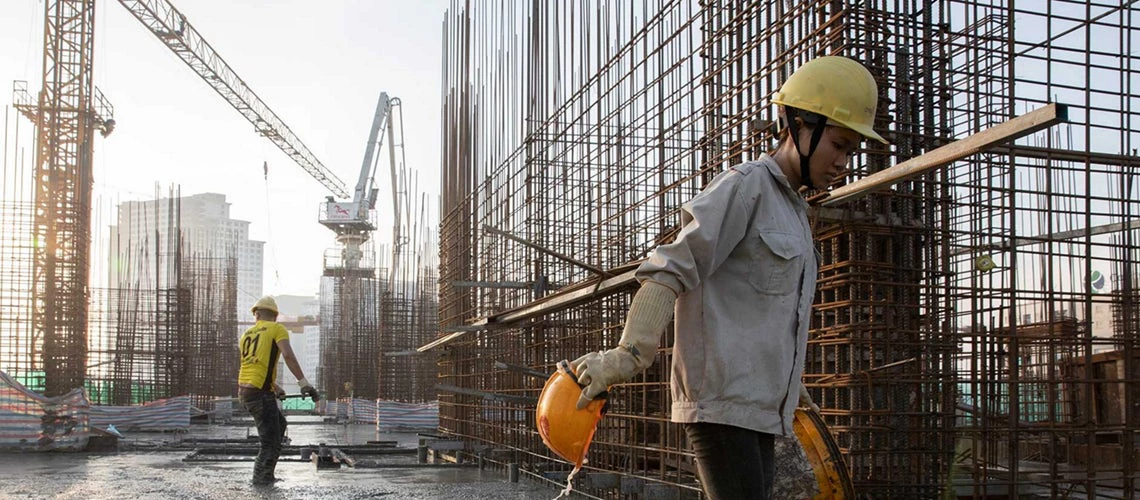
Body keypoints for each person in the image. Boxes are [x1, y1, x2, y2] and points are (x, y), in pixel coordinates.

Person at [571, 56, 888, 499]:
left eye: (851, 150)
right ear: (800, 126)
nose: (844, 162)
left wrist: (790, 389)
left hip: (760, 411)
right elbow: (669, 269)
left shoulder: (795, 212)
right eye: (839, 144)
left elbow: (767, 317)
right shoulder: (744, 188)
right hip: (721, 409)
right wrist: (628, 355)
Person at [238, 295, 320, 486]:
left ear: (256, 315)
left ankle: (266, 476)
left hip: (246, 391)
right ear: (275, 316)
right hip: (259, 394)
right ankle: (261, 482)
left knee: (279, 425)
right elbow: (288, 355)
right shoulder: (277, 329)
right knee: (270, 443)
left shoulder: (246, 335)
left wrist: (274, 387)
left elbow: (252, 365)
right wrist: (303, 383)